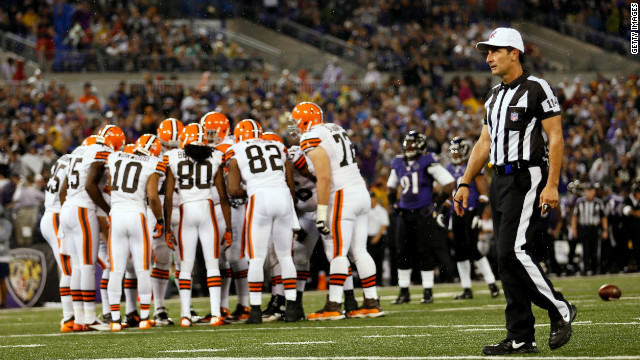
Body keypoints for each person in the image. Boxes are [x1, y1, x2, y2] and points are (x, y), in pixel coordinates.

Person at [454, 28, 576, 355]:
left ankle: (559, 308)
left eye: (496, 50)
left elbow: (556, 137)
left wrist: (552, 184)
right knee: (504, 257)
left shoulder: (537, 88)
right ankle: (521, 336)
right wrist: (465, 182)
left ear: (515, 53)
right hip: (499, 179)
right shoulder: (494, 96)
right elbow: (484, 143)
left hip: (526, 176)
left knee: (512, 251)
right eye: (487, 52)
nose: (489, 57)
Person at [289, 102, 383, 319]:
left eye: (296, 121)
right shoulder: (335, 128)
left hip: (343, 194)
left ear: (305, 120)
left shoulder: (311, 136)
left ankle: (333, 305)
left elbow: (324, 177)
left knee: (338, 252)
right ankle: (371, 301)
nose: (295, 126)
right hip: (360, 190)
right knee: (359, 251)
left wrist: (321, 212)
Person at [225, 120, 298, 324]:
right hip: (283, 196)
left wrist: (248, 193)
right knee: (285, 256)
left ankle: (255, 310)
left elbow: (232, 189)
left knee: (256, 258)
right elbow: (290, 184)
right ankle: (291, 308)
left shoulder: (235, 149)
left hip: (259, 197)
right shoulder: (277, 145)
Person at [164, 123, 232, 327]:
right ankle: (215, 314)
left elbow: (168, 197)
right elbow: (223, 195)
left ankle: (185, 315)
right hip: (207, 210)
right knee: (213, 264)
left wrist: (167, 227)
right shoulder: (215, 156)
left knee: (185, 266)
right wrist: (229, 227)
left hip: (186, 210)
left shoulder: (174, 157)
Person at [59, 125, 125, 331]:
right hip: (81, 210)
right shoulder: (100, 150)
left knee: (78, 266)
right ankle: (89, 318)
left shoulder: (78, 151)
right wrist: (108, 209)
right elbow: (90, 186)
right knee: (87, 266)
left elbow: (64, 189)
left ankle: (79, 318)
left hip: (67, 208)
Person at [387, 130, 455, 304]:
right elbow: (390, 187)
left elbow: (449, 183)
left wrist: (436, 204)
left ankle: (427, 290)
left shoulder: (428, 161)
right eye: (407, 144)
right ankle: (404, 291)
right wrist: (393, 204)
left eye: (413, 144)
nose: (409, 147)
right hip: (404, 213)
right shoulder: (398, 162)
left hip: (423, 213)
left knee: (425, 252)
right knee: (402, 252)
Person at [106, 134, 165, 331]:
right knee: (142, 269)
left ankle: (115, 320)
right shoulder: (154, 162)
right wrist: (160, 219)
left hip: (116, 214)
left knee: (116, 269)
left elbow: (111, 184)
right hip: (137, 214)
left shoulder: (115, 157)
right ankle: (145, 318)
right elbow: (153, 197)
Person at [446, 137, 500, 300]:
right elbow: (447, 193)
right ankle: (466, 288)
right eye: (453, 151)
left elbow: (484, 194)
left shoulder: (473, 165)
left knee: (472, 249)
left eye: (458, 151)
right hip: (456, 212)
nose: (455, 155)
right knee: (460, 251)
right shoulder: (448, 168)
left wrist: (478, 214)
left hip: (470, 211)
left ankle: (492, 284)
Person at [149, 118, 183, 326]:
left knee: (165, 261)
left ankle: (160, 308)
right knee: (178, 261)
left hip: (161, 209)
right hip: (175, 208)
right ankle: (173, 308)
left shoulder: (153, 156)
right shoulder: (186, 153)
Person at [40, 154, 74, 331]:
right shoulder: (75, 161)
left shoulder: (64, 160)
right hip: (56, 215)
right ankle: (69, 318)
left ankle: (73, 315)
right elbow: (64, 192)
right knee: (68, 268)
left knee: (71, 267)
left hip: (52, 215)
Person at [571, 183, 608, 275]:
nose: (589, 193)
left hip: (594, 227)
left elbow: (603, 217)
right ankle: (586, 269)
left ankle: (596, 269)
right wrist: (574, 229)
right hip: (584, 228)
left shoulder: (599, 202)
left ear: (594, 192)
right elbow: (575, 216)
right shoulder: (580, 202)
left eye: (591, 191)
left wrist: (605, 230)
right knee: (585, 249)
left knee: (595, 249)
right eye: (587, 191)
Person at [367, 191, 389, 286]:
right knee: (368, 261)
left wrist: (377, 236)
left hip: (379, 237)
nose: (371, 200)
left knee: (379, 260)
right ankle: (368, 282)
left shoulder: (381, 210)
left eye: (372, 197)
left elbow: (384, 224)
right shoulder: (365, 210)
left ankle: (378, 281)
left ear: (375, 198)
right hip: (367, 237)